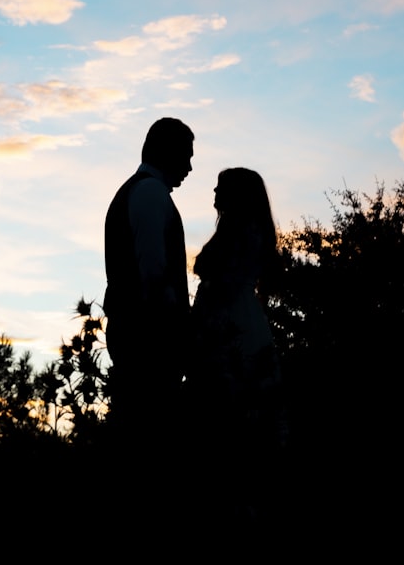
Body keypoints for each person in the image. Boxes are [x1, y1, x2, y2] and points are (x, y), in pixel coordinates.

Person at [189, 168, 287, 524]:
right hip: (241, 321)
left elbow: (223, 286)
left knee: (235, 411)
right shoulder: (245, 230)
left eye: (221, 186)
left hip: (233, 326)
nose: (213, 190)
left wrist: (201, 333)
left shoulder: (240, 232)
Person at [103, 117, 194, 438]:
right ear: (168, 152)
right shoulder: (150, 193)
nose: (190, 167)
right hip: (149, 346)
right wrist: (177, 339)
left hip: (137, 340)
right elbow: (154, 276)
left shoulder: (137, 191)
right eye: (187, 155)